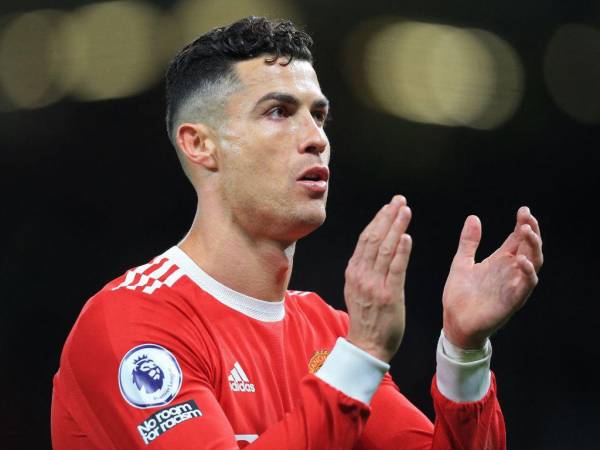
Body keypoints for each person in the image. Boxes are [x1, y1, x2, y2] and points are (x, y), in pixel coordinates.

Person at [51, 16, 543, 449]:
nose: (317, 138)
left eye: (319, 115)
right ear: (200, 144)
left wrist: (464, 352)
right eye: (279, 112)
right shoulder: (132, 322)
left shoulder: (324, 333)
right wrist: (363, 354)